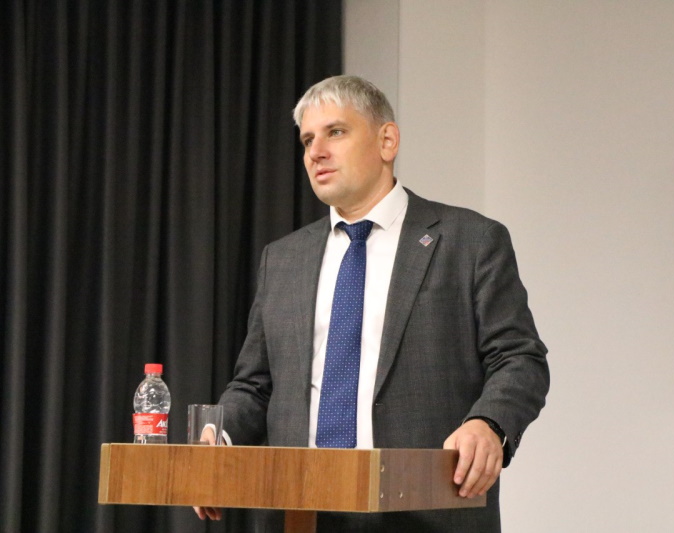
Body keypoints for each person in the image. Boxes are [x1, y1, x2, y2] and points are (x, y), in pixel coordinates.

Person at [194, 75, 549, 532]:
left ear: (387, 141)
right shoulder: (282, 260)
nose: (316, 152)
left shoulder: (471, 242)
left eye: (335, 132)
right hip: (300, 512)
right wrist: (218, 439)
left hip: (425, 512)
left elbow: (519, 358)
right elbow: (255, 385)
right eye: (307, 140)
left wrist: (488, 423)